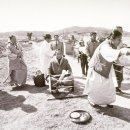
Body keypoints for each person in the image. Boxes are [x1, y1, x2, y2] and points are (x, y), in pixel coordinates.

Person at [84, 29, 130, 108]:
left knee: (108, 86)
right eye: (118, 39)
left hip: (106, 68)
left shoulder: (112, 46)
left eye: (120, 40)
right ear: (112, 38)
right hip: (96, 69)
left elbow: (118, 59)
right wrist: (121, 51)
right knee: (97, 86)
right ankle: (93, 100)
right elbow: (109, 52)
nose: (119, 42)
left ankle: (107, 101)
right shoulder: (105, 45)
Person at [113, 26, 124, 93]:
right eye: (119, 31)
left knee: (120, 76)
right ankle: (114, 88)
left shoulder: (121, 40)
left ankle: (117, 88)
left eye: (121, 31)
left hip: (120, 60)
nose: (120, 32)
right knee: (114, 75)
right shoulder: (113, 39)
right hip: (114, 60)